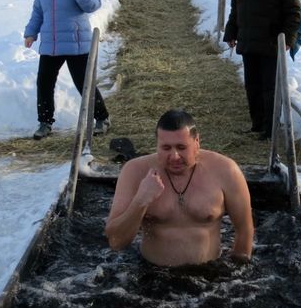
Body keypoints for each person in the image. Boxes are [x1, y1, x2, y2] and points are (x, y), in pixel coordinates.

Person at [105, 109, 254, 267]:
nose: (174, 156)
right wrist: (141, 200)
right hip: (151, 275)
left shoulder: (225, 170)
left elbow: (244, 229)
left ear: (196, 142)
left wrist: (238, 274)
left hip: (210, 277)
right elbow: (116, 242)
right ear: (157, 145)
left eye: (181, 147)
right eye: (166, 148)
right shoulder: (135, 171)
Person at [24, 0, 111, 140]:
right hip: (50, 44)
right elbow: (38, 10)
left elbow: (92, 6)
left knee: (84, 84)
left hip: (76, 43)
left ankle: (102, 118)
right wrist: (31, 32)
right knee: (44, 83)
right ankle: (45, 123)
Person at [222, 0, 301, 140]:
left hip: (271, 43)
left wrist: (288, 39)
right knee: (252, 86)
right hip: (249, 42)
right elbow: (236, 8)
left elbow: (294, 12)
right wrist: (231, 32)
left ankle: (270, 129)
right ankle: (257, 124)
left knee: (270, 89)